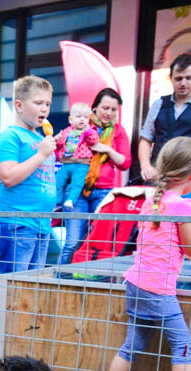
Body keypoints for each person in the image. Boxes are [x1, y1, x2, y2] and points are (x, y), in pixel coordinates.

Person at [100, 137, 191, 371]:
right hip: (157, 288)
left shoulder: (153, 200)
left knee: (134, 341)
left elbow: (169, 231)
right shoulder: (182, 205)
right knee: (183, 343)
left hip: (136, 282)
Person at [0, 75, 57, 353]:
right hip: (17, 223)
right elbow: (8, 176)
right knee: (12, 284)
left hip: (40, 225)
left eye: (48, 104)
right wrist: (40, 155)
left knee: (32, 286)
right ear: (19, 105)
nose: (44, 109)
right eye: (38, 103)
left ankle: (21, 339)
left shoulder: (41, 138)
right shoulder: (11, 137)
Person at [61, 88, 133, 265]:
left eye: (113, 109)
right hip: (76, 190)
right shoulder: (81, 125)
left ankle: (89, 278)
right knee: (73, 241)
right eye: (105, 108)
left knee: (98, 242)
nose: (109, 113)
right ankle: (60, 277)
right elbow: (61, 154)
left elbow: (125, 163)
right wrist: (77, 157)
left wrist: (106, 149)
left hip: (103, 193)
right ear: (94, 108)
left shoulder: (118, 131)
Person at [138, 53, 191, 181]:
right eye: (178, 78)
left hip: (188, 176)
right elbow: (146, 139)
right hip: (157, 175)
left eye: (188, 78)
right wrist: (145, 166)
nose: (183, 83)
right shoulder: (159, 104)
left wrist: (183, 160)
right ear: (170, 78)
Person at [53, 103, 98, 212]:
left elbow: (94, 141)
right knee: (58, 181)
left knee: (77, 184)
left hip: (81, 165)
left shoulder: (89, 131)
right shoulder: (67, 131)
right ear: (71, 120)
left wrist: (88, 131)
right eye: (78, 116)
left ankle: (71, 201)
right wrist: (57, 140)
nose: (82, 119)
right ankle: (57, 202)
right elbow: (60, 145)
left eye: (85, 117)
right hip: (66, 164)